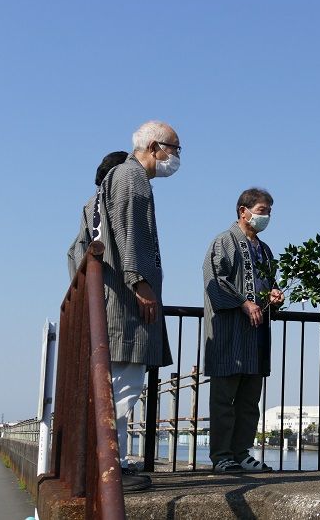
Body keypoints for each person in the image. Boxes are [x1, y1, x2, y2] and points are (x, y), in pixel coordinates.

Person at [97, 121, 181, 491]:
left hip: (116, 295)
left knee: (115, 384)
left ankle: (109, 463)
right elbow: (131, 232)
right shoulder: (133, 177)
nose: (175, 158)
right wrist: (140, 283)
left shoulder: (117, 177)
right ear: (154, 146)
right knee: (123, 385)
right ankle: (108, 468)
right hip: (127, 300)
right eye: (174, 149)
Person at [203, 188, 284, 473]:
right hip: (229, 333)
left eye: (269, 212)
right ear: (243, 211)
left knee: (250, 399)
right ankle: (222, 455)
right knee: (224, 398)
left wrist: (273, 296)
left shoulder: (264, 250)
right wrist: (243, 302)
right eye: (262, 211)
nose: (266, 217)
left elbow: (268, 284)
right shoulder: (223, 242)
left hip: (257, 334)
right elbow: (216, 280)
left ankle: (242, 452)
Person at [66, 151, 128, 279]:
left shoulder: (90, 205)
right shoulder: (120, 198)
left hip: (97, 288)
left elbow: (75, 250)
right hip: (124, 288)